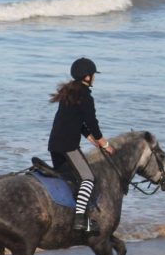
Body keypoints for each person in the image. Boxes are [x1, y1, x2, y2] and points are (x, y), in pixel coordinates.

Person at [48, 57, 115, 234]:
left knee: (69, 179)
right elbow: (92, 122)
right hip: (68, 146)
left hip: (55, 144)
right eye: (93, 75)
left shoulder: (69, 92)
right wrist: (104, 143)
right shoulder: (85, 96)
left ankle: (64, 216)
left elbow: (75, 120)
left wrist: (89, 137)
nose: (94, 78)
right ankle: (80, 221)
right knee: (88, 178)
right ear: (87, 77)